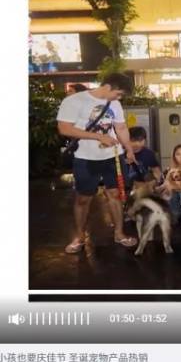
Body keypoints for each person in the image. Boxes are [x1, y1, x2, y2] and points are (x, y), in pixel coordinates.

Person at [57, 73, 138, 254]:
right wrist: (98, 136)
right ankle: (79, 236)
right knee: (83, 198)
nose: (119, 98)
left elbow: (121, 128)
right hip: (85, 157)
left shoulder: (115, 104)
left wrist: (129, 149)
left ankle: (119, 233)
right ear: (108, 87)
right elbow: (64, 128)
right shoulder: (74, 101)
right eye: (118, 93)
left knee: (115, 195)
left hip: (113, 156)